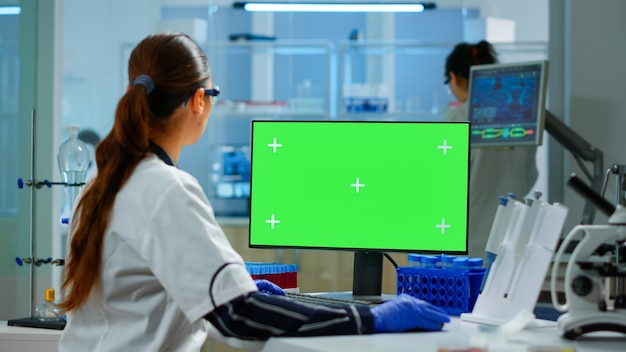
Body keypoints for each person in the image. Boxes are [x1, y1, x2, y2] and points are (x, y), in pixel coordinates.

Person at [58, 32, 449, 351]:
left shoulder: (103, 183)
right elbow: (238, 316)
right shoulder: (165, 188)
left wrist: (232, 278)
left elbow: (141, 284)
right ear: (198, 101)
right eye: (213, 94)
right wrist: (371, 318)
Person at [444, 40, 538, 259]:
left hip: (468, 248)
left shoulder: (457, 118)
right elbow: (530, 175)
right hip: (511, 244)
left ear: (454, 77)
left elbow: (446, 185)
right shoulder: (520, 117)